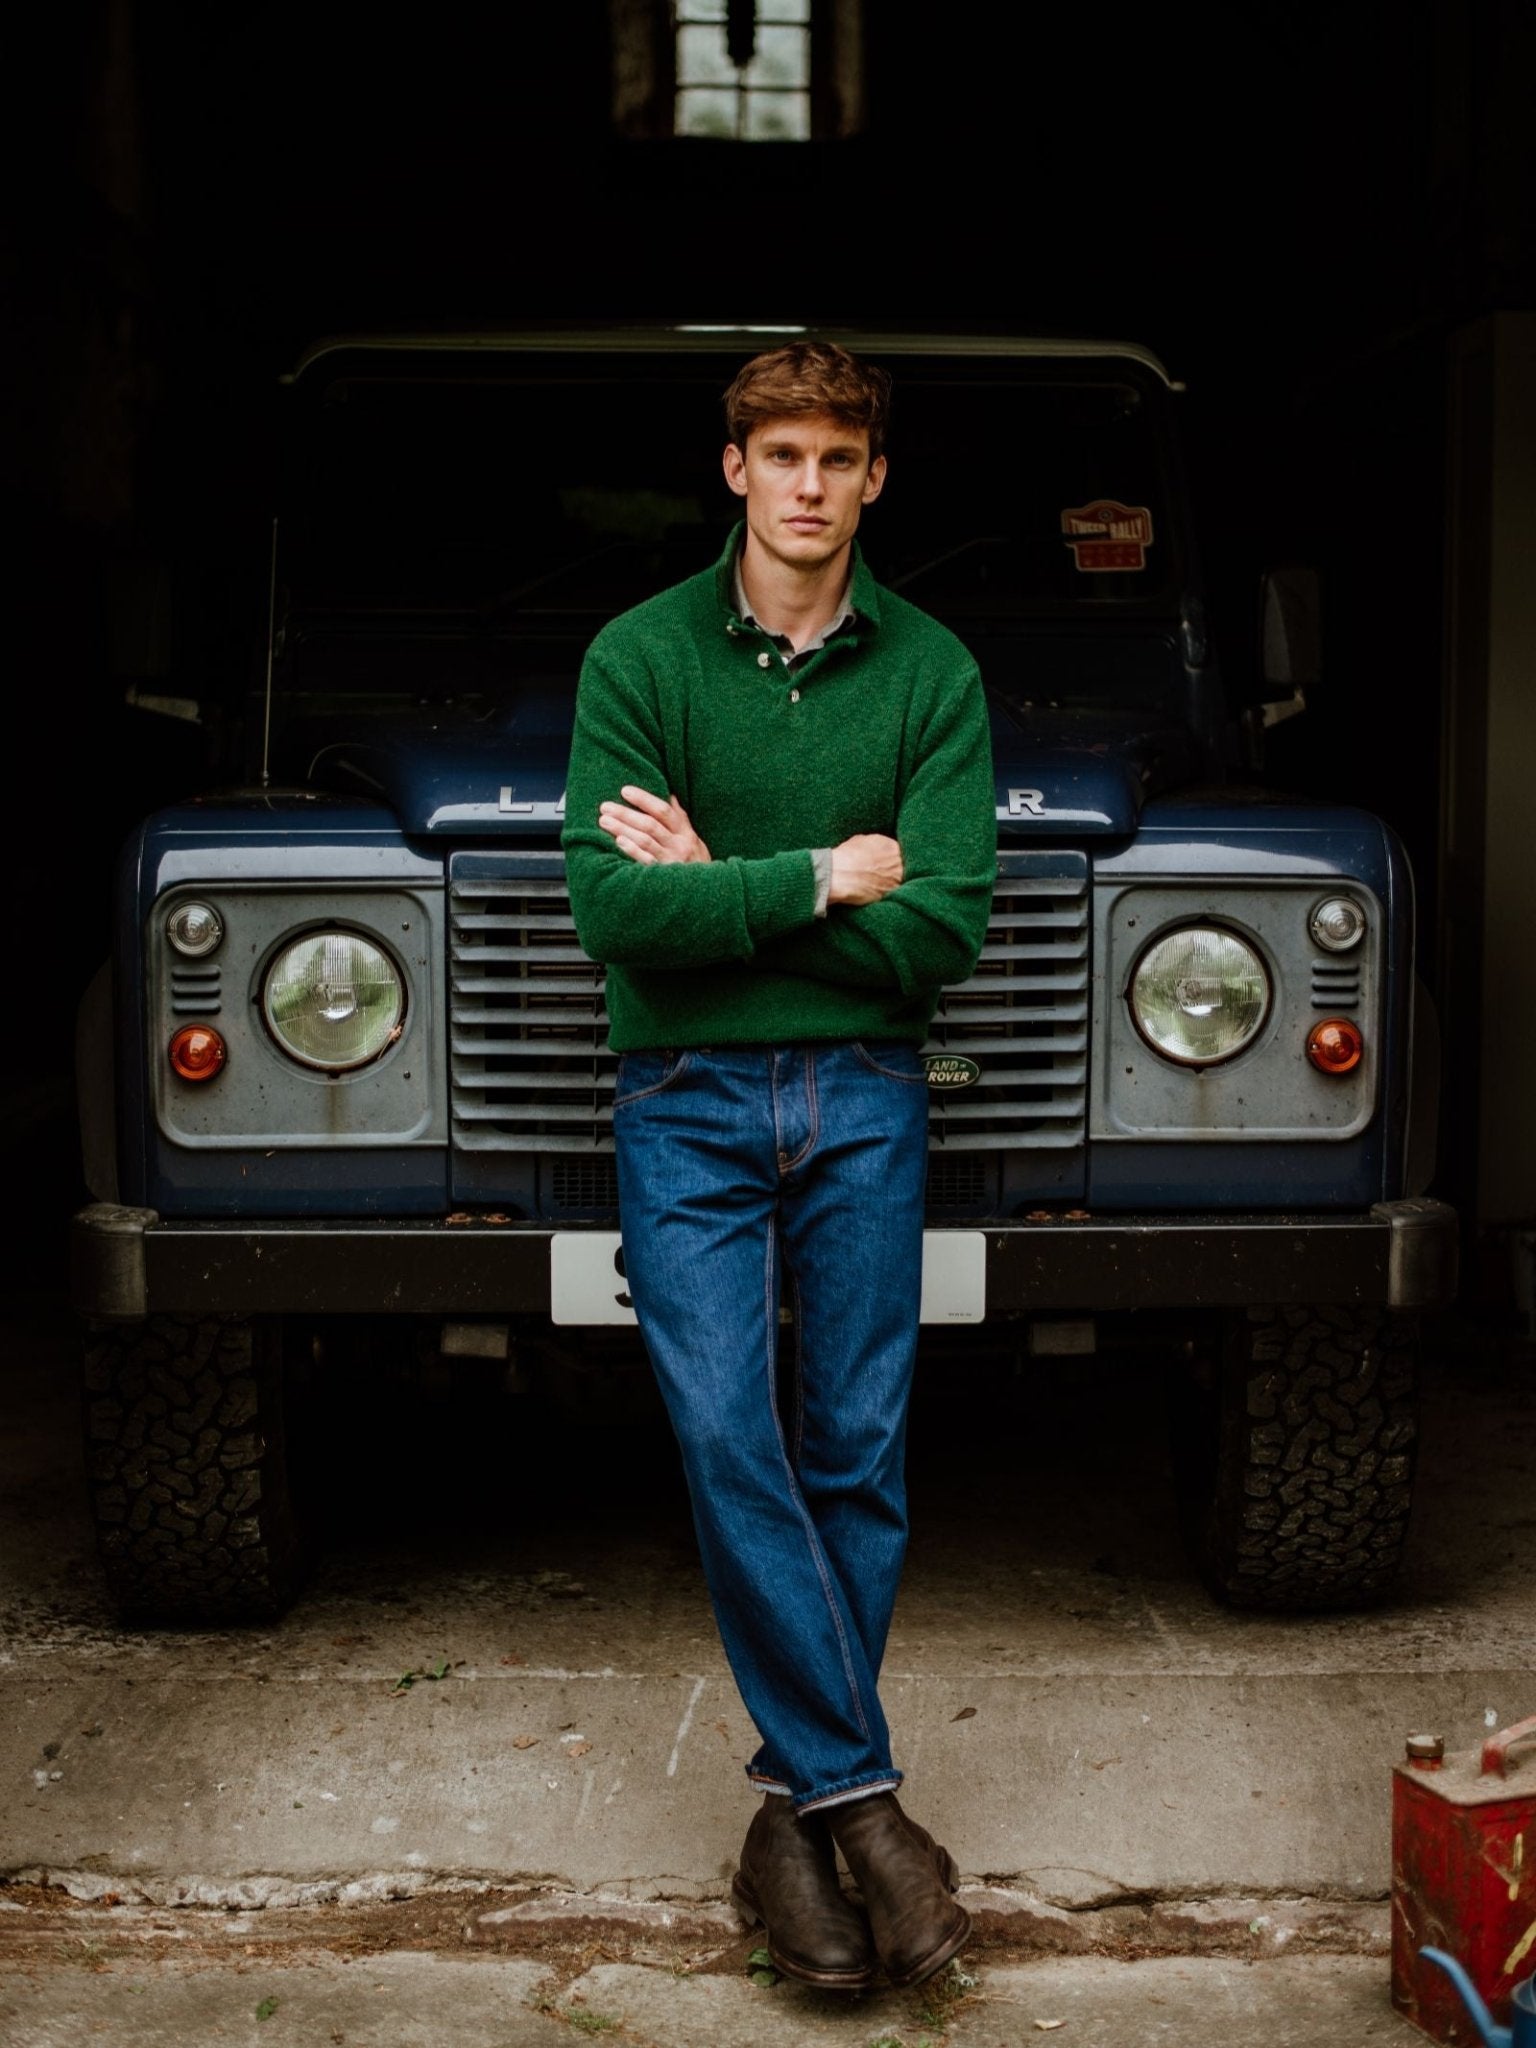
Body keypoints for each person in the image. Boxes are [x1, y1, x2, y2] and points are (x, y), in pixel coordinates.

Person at [562, 341, 996, 1992]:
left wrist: (721, 896)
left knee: (860, 1444)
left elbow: (945, 927)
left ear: (876, 478)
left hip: (877, 1093)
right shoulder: (639, 658)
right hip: (678, 1100)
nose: (810, 484)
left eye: (840, 457)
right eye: (782, 454)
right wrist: (821, 878)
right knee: (729, 1432)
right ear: (732, 469)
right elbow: (614, 918)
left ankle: (785, 1827)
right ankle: (866, 1807)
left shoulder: (934, 674)